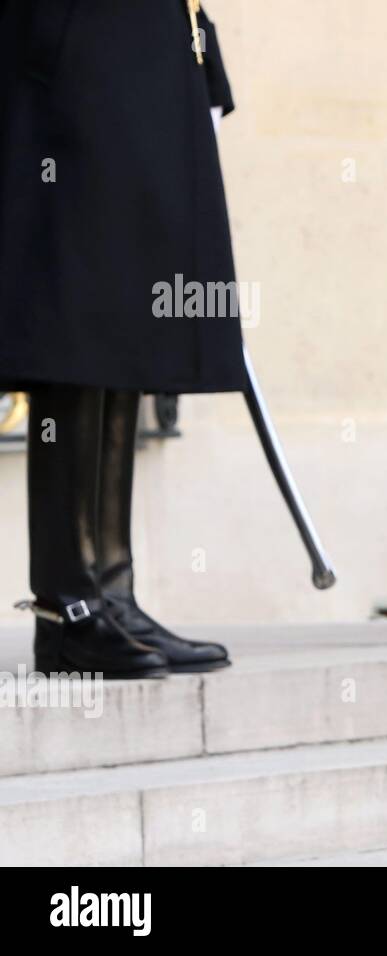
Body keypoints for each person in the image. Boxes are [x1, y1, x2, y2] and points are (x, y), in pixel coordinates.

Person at [0, 0, 241, 676]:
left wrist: (200, 51)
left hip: (147, 46)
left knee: (131, 310)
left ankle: (112, 590)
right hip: (71, 47)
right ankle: (65, 606)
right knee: (76, 313)